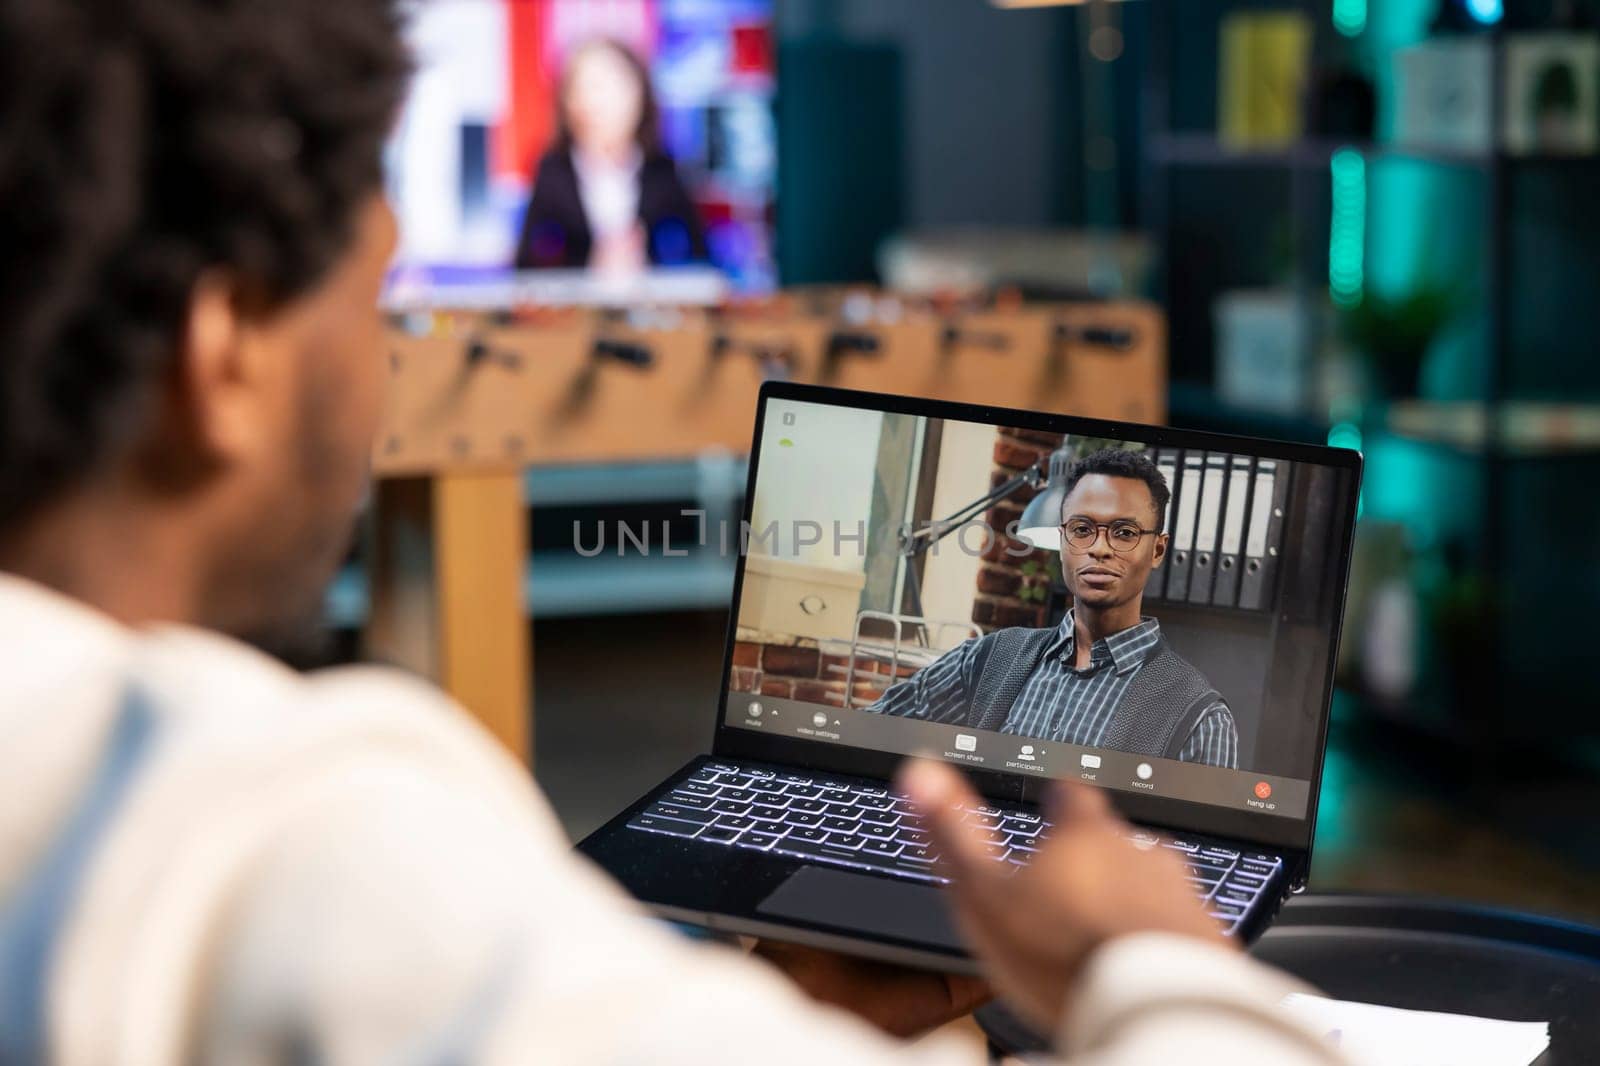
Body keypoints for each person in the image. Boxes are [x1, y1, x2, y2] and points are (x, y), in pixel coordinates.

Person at [0, 1, 1349, 1062]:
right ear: (225, 351)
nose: (384, 373)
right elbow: (907, 702)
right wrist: (1146, 963)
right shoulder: (305, 851)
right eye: (373, 304)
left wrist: (813, 1008)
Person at [869, 449, 1240, 768]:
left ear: (1157, 550)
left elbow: (1201, 849)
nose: (1099, 548)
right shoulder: (987, 661)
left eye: (1124, 533)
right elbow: (868, 734)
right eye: (1081, 529)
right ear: (1063, 538)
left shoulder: (1198, 717)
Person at [512, 37, 707, 274]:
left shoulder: (662, 170)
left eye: (607, 87)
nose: (595, 102)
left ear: (639, 94)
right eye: (583, 88)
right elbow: (526, 268)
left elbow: (699, 260)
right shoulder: (553, 172)